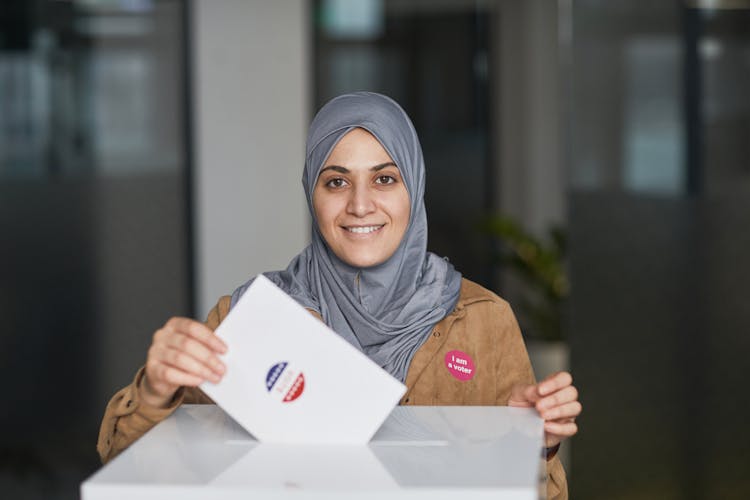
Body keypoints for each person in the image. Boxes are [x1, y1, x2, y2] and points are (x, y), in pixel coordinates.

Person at [97, 92, 581, 499]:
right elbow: (137, 475)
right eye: (336, 181)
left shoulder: (482, 321)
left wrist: (535, 445)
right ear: (312, 192)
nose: (360, 204)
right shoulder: (249, 319)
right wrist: (156, 392)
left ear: (414, 186)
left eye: (385, 178)